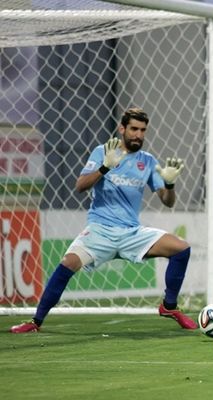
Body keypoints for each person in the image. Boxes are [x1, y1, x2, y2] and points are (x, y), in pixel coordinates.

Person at [10, 107, 198, 333]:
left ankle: (169, 306)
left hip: (131, 232)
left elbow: (168, 202)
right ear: (122, 128)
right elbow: (80, 186)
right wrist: (105, 167)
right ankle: (35, 321)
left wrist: (169, 184)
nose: (138, 135)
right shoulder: (102, 152)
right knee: (67, 263)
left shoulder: (147, 161)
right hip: (100, 230)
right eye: (134, 129)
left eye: (143, 130)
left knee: (181, 249)